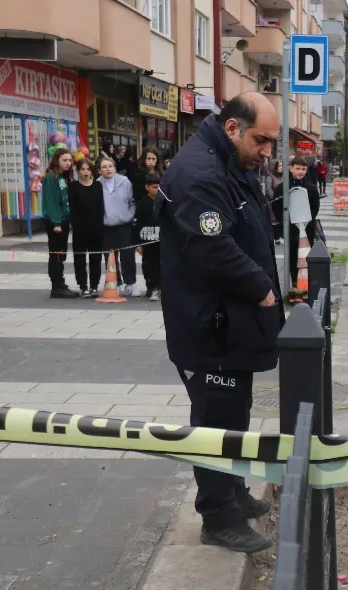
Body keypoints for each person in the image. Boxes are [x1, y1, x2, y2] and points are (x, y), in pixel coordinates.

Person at [156, 92, 284, 553]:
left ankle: (232, 491)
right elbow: (214, 248)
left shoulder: (229, 163)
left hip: (229, 324)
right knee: (214, 421)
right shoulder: (200, 174)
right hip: (209, 327)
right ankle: (218, 517)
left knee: (234, 415)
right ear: (232, 129)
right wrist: (261, 287)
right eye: (262, 140)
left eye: (272, 141)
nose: (268, 150)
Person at [99, 155, 140, 296]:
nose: (108, 169)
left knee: (128, 255)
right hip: (107, 226)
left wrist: (129, 216)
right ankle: (115, 283)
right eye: (104, 167)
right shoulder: (97, 184)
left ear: (115, 168)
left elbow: (132, 201)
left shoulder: (125, 182)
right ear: (99, 170)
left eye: (110, 166)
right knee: (110, 257)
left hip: (125, 225)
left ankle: (130, 284)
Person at [283, 155, 321, 302]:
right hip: (290, 232)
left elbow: (314, 208)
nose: (300, 172)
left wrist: (305, 225)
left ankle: (305, 289)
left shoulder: (311, 188)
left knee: (306, 260)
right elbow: (278, 208)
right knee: (292, 260)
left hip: (307, 231)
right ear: (290, 168)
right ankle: (294, 288)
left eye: (303, 169)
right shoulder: (284, 187)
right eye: (297, 168)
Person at [68, 157, 105, 297]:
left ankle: (94, 285)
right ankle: (83, 286)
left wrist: (100, 223)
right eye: (82, 169)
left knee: (95, 258)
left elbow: (101, 206)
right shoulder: (73, 186)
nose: (85, 172)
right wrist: (76, 224)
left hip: (96, 227)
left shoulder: (97, 186)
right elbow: (72, 207)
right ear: (78, 170)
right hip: (80, 228)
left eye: (88, 169)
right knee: (80, 258)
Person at [44, 148, 77, 298]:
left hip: (63, 221)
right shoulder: (51, 177)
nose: (68, 163)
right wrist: (56, 223)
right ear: (57, 160)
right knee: (56, 255)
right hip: (55, 223)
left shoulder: (63, 177)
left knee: (61, 254)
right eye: (65, 160)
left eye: (70, 160)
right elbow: (52, 202)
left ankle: (60, 283)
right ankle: (56, 287)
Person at [136, 172, 162, 301]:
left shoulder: (163, 202)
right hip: (147, 241)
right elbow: (137, 224)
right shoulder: (142, 204)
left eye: (159, 187)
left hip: (161, 241)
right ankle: (151, 287)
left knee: (161, 264)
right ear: (147, 187)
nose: (157, 190)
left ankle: (160, 287)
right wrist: (138, 243)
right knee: (148, 265)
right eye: (155, 187)